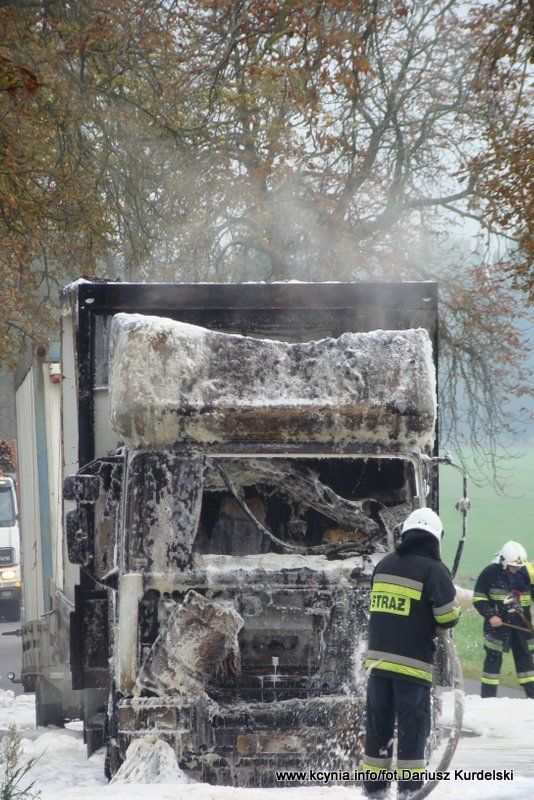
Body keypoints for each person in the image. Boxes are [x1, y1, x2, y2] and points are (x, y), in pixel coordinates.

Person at [361, 508, 460, 799]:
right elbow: (448, 617)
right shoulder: (434, 570)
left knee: (378, 727)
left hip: (377, 665)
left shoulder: (384, 564)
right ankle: (409, 791)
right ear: (435, 539)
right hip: (412, 667)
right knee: (411, 729)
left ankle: (375, 790)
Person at [473, 540, 534, 698]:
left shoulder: (529, 574)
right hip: (496, 629)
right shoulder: (490, 573)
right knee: (492, 663)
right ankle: (487, 699)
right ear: (503, 562)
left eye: (519, 567)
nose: (516, 570)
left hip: (522, 629)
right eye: (513, 566)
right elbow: (479, 598)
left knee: (527, 665)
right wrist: (491, 615)